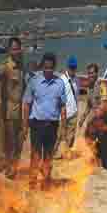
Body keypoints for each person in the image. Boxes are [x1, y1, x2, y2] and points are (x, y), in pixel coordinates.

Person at [22, 52, 67, 189]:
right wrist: (24, 126)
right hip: (36, 124)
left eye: (50, 68)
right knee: (35, 155)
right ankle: (32, 183)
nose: (48, 70)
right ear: (42, 67)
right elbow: (26, 104)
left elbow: (63, 107)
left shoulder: (60, 83)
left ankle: (46, 182)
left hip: (52, 125)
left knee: (48, 155)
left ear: (54, 68)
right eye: (45, 67)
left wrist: (63, 127)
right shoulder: (34, 81)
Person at [0, 37, 25, 178]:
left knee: (20, 141)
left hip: (21, 110)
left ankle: (14, 166)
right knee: (11, 141)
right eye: (13, 48)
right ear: (9, 50)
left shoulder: (21, 66)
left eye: (18, 48)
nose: (16, 51)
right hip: (9, 111)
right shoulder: (6, 66)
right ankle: (10, 168)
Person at [84, 82, 107, 170]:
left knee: (106, 143)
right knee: (89, 138)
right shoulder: (90, 88)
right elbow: (89, 106)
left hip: (104, 124)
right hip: (95, 121)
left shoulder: (102, 86)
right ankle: (97, 159)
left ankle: (105, 161)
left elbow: (105, 103)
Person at [55, 55, 80, 158]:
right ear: (67, 67)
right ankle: (52, 154)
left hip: (73, 113)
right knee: (59, 136)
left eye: (74, 68)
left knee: (71, 136)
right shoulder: (61, 80)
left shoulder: (77, 80)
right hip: (62, 114)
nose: (73, 70)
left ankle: (66, 153)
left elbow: (76, 95)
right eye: (71, 67)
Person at [80, 63, 101, 130]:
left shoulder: (101, 86)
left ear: (96, 73)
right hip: (92, 120)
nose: (90, 75)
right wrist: (83, 118)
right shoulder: (89, 87)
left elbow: (105, 106)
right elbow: (89, 105)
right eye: (89, 73)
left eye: (92, 73)